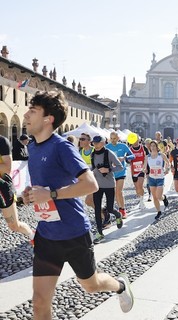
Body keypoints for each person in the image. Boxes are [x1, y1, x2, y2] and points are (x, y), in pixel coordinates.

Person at [22, 90, 133, 319]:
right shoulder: (32, 148)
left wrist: (50, 194)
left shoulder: (62, 147)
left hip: (73, 233)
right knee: (40, 302)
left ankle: (120, 285)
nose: (25, 115)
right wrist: (30, 194)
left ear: (48, 118)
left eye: (32, 111)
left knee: (91, 285)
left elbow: (90, 184)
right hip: (47, 234)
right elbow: (43, 187)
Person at [91, 135, 124, 244]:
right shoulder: (93, 154)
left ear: (103, 143)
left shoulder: (109, 153)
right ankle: (100, 233)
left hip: (109, 184)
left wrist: (108, 169)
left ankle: (118, 215)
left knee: (109, 209)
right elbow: (93, 168)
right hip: (97, 186)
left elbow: (120, 167)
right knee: (97, 209)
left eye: (97, 142)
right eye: (94, 143)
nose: (95, 144)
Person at [0, 134, 33, 239]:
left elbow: (6, 168)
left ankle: (33, 236)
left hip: (3, 188)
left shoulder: (2, 141)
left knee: (14, 225)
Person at [106, 131, 135, 218]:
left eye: (114, 138)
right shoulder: (107, 147)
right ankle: (120, 208)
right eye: (111, 138)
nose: (113, 140)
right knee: (115, 193)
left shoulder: (123, 146)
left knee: (119, 191)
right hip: (111, 172)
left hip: (121, 171)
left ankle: (123, 210)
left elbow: (132, 156)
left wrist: (124, 158)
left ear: (118, 138)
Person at [144, 140, 170, 220]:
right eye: (151, 146)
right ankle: (158, 211)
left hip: (160, 178)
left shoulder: (161, 155)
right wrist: (144, 170)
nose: (153, 147)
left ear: (157, 147)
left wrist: (167, 169)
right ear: (150, 147)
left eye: (154, 146)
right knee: (154, 197)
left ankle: (164, 198)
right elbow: (144, 166)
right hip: (152, 178)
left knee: (159, 196)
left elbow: (168, 163)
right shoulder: (147, 157)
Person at [129, 136, 149, 209]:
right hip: (133, 170)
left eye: (136, 140)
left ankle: (141, 201)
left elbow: (146, 158)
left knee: (140, 185)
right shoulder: (130, 149)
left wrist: (145, 167)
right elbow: (128, 160)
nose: (135, 141)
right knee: (137, 188)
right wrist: (128, 160)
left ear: (138, 139)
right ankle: (140, 197)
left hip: (141, 170)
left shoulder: (143, 148)